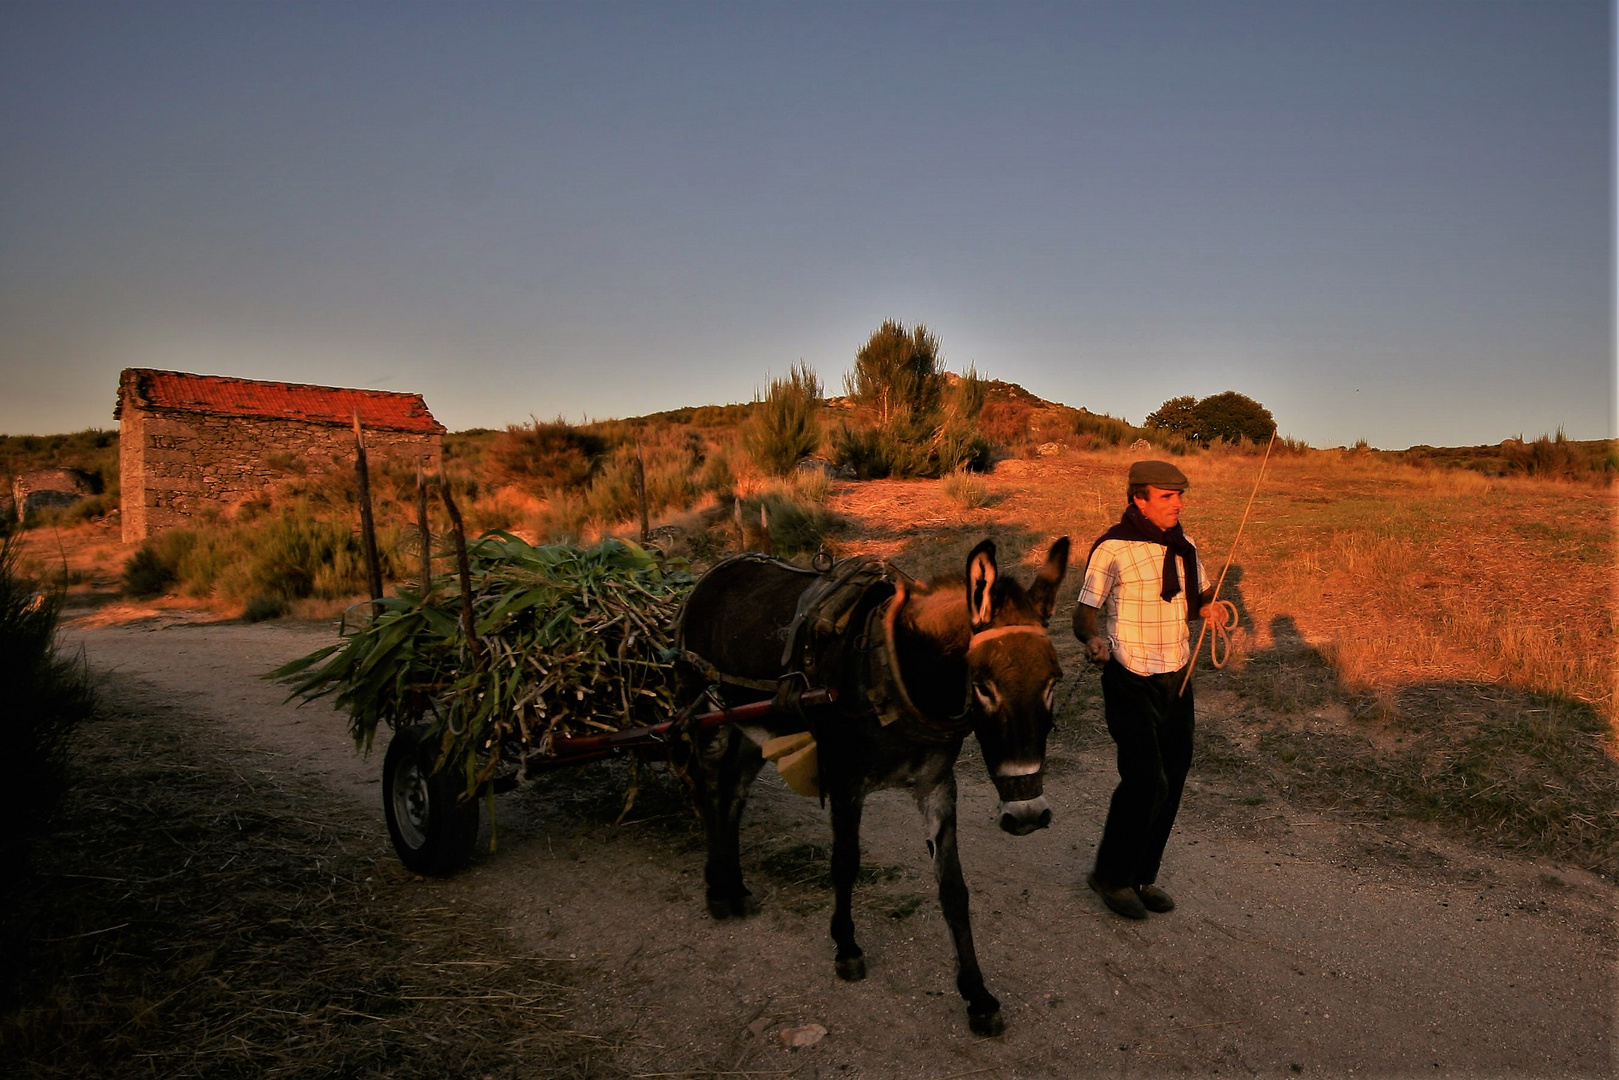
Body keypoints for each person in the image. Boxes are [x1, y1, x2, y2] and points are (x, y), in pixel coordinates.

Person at [1071, 460, 1229, 920]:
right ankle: (1110, 876)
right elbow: (1084, 613)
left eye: (1180, 495)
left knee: (1174, 777)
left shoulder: (1187, 546)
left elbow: (1197, 598)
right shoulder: (1111, 548)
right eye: (1167, 496)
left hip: (1176, 677)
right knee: (1146, 779)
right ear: (1138, 498)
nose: (1178, 503)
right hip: (1128, 674)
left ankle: (1143, 876)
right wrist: (1092, 639)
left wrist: (1210, 607)